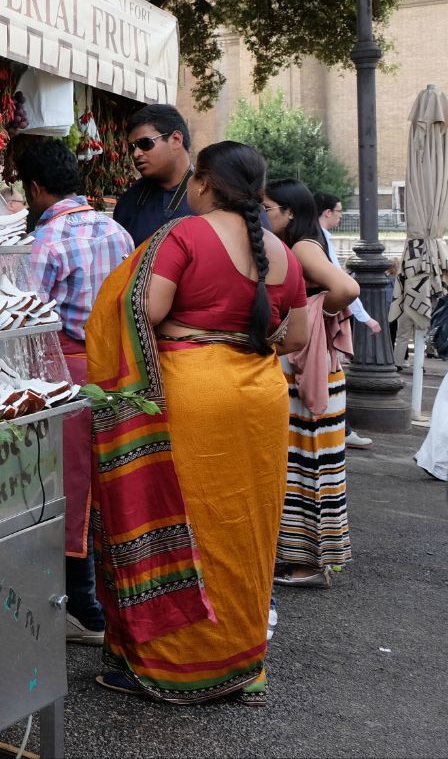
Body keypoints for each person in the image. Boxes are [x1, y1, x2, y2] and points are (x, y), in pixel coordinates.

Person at [86, 141, 309, 706]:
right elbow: (298, 339)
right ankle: (245, 664)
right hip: (260, 398)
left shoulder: (184, 235)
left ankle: (176, 666)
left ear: (204, 182)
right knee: (247, 532)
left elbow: (147, 310)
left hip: (194, 397)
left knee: (189, 523)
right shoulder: (282, 251)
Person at [16, 139, 134, 648]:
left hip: (66, 369)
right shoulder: (117, 230)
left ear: (37, 188)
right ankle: (108, 600)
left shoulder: (48, 238)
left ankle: (82, 607)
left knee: (67, 488)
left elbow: (24, 315)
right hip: (114, 371)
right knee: (106, 483)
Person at [264, 179, 361, 586]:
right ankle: (303, 558)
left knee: (310, 462)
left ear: (289, 212)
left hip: (308, 368)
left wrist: (315, 309)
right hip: (310, 367)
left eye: (268, 208)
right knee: (307, 460)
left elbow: (346, 288)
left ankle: (307, 564)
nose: (262, 215)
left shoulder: (302, 247)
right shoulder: (300, 244)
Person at [315, 192, 376, 449]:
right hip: (321, 322)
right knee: (329, 376)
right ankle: (341, 429)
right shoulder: (320, 241)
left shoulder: (313, 239)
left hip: (316, 319)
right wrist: (365, 317)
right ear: (327, 212)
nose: (341, 217)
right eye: (339, 211)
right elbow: (344, 285)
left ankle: (342, 428)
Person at [112, 104, 195, 245]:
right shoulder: (129, 200)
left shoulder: (209, 197)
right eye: (132, 147)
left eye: (145, 143)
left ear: (176, 140)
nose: (136, 154)